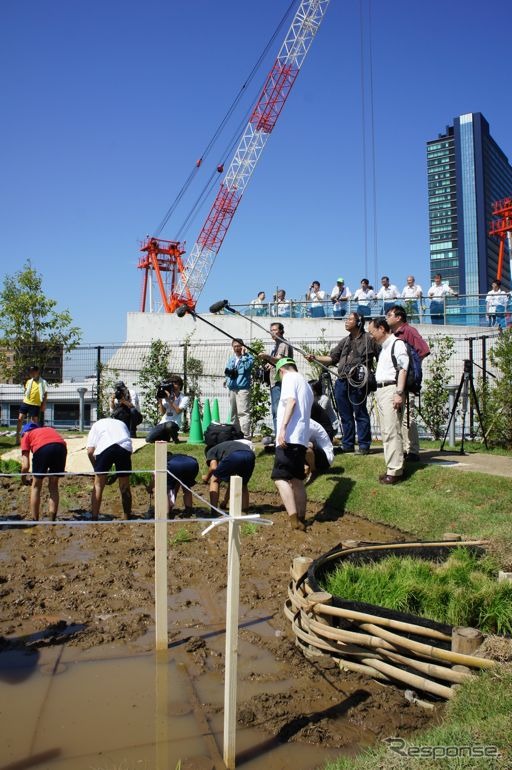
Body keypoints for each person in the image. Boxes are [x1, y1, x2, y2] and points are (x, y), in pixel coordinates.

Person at [309, 312, 379, 454]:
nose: (346, 322)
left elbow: (381, 357)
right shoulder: (345, 341)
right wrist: (314, 357)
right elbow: (331, 358)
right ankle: (348, 444)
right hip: (342, 381)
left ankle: (364, 445)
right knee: (345, 414)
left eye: (350, 319)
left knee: (360, 413)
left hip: (358, 381)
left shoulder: (369, 339)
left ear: (359, 322)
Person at [271, 358, 313, 532]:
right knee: (296, 479)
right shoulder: (306, 384)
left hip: (289, 438)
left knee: (280, 478)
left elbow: (291, 402)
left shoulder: (289, 378)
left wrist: (282, 429)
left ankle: (294, 520)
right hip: (301, 438)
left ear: (282, 371)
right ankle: (302, 518)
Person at [385, 305, 430, 462]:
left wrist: (411, 369)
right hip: (397, 381)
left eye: (389, 315)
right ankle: (404, 448)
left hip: (407, 381)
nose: (387, 317)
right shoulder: (393, 334)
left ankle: (413, 450)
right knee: (399, 416)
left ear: (399, 318)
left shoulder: (409, 331)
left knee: (408, 416)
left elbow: (423, 350)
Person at [368, 317, 408, 484]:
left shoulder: (397, 344)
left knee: (392, 430)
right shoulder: (384, 348)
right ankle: (391, 467)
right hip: (381, 390)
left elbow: (403, 367)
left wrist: (399, 392)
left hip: (391, 389)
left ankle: (395, 471)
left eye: (372, 332)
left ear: (382, 329)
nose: (371, 336)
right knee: (386, 431)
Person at [86, 415, 133, 520]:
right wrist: (118, 473)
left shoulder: (97, 424)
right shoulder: (122, 423)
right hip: (124, 448)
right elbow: (128, 447)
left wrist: (97, 470)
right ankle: (127, 515)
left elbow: (90, 452)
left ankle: (94, 517)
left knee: (98, 485)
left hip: (105, 447)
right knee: (125, 485)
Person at [20, 422, 67, 521]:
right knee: (53, 485)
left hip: (42, 449)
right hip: (61, 448)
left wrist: (23, 479)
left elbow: (25, 466)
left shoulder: (26, 435)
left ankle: (35, 520)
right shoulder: (48, 429)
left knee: (36, 486)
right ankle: (52, 520)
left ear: (24, 432)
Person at [258, 322, 294, 436]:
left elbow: (280, 361)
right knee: (275, 410)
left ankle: (281, 436)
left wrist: (267, 357)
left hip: (280, 381)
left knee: (279, 410)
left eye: (274, 330)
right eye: (271, 330)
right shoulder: (276, 345)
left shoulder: (283, 344)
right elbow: (275, 362)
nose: (272, 332)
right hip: (275, 382)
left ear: (281, 331)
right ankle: (279, 435)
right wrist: (269, 364)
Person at [203, 439, 256, 511]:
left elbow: (213, 468)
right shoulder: (225, 447)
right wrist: (225, 502)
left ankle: (214, 510)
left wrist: (206, 478)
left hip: (235, 455)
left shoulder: (211, 450)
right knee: (242, 484)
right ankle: (245, 510)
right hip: (250, 455)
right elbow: (231, 484)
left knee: (215, 479)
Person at [146, 375, 189, 444]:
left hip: (174, 423)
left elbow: (178, 411)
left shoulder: (184, 398)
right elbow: (163, 413)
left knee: (170, 425)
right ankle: (166, 436)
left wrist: (169, 400)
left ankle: (175, 438)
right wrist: (160, 402)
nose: (173, 385)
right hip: (164, 422)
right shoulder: (166, 396)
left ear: (180, 385)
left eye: (175, 383)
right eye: (171, 383)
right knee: (149, 439)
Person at [224, 339, 254, 437]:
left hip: (243, 389)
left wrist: (244, 355)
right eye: (235, 346)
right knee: (233, 413)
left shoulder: (249, 357)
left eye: (239, 346)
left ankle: (245, 436)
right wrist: (227, 380)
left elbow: (247, 367)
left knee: (243, 413)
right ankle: (235, 435)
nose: (237, 348)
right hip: (232, 388)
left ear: (243, 346)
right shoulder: (232, 359)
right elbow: (228, 372)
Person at [16, 365, 48, 443]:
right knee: (20, 419)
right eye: (30, 372)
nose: (32, 374)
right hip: (26, 402)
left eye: (33, 372)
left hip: (35, 404)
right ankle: (17, 437)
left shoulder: (43, 382)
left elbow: (45, 394)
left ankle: (34, 438)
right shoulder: (29, 381)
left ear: (37, 372)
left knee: (34, 422)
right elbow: (26, 391)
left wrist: (43, 404)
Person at [166, 452, 199, 517]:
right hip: (193, 464)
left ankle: (167, 513)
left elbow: (155, 477)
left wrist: (149, 488)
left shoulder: (166, 460)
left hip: (174, 466)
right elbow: (177, 482)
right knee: (186, 487)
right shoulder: (179, 456)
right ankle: (188, 511)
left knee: (167, 490)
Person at [304, 418, 334, 483]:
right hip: (317, 455)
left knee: (304, 446)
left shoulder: (307, 423)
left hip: (326, 459)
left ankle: (313, 471)